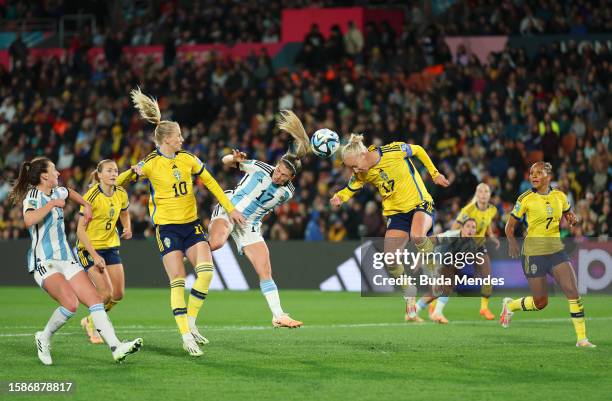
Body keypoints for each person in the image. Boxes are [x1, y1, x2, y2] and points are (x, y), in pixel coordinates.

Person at [118, 88, 245, 357]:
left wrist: (231, 209)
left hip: (192, 225)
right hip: (167, 230)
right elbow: (117, 183)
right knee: (177, 281)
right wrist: (132, 173)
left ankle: (192, 323)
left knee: (206, 272)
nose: (182, 139)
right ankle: (185, 336)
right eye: (178, 136)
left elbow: (210, 182)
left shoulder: (188, 159)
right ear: (166, 139)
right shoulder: (150, 163)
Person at [8, 157, 143, 365]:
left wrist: (86, 204)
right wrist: (52, 204)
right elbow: (28, 220)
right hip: (44, 261)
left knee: (96, 300)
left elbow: (69, 192)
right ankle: (44, 337)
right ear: (44, 175)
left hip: (66, 259)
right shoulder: (33, 196)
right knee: (70, 304)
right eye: (54, 170)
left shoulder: (58, 191)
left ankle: (116, 347)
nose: (58, 173)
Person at [330, 135, 449, 321]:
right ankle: (408, 289)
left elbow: (417, 149)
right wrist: (339, 197)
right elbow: (350, 188)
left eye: (354, 165)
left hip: (420, 203)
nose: (354, 170)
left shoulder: (392, 151)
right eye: (350, 168)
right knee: (390, 258)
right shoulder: (362, 172)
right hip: (396, 214)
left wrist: (434, 173)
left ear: (363, 153)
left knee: (417, 236)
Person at [208, 110, 308, 328]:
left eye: (284, 175)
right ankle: (189, 247)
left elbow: (266, 207)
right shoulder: (260, 167)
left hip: (250, 224)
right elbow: (225, 162)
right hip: (229, 208)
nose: (278, 175)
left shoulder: (287, 193)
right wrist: (233, 158)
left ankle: (278, 315)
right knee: (215, 243)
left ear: (291, 178)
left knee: (265, 269)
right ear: (277, 164)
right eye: (279, 170)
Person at [501, 162, 595, 348]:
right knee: (540, 302)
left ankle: (582, 339)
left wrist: (572, 218)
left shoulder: (560, 196)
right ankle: (510, 306)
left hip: (555, 251)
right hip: (533, 253)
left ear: (548, 176)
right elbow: (509, 227)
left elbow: (568, 212)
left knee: (572, 292)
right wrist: (511, 243)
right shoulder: (525, 198)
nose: (533, 176)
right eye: (531, 173)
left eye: (538, 173)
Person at [76, 160, 132, 344]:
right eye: (109, 171)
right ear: (99, 175)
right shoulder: (91, 197)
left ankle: (89, 321)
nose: (114, 173)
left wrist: (127, 227)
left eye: (116, 170)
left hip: (110, 246)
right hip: (89, 248)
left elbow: (124, 211)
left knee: (118, 294)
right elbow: (80, 231)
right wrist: (94, 255)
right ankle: (94, 326)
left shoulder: (121, 193)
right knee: (105, 294)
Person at [415, 218, 479, 324]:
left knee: (436, 292)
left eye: (473, 227)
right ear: (462, 228)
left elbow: (459, 263)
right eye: (467, 226)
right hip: (434, 261)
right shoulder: (452, 235)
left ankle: (413, 312)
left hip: (444, 264)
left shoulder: (471, 245)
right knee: (446, 286)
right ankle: (437, 313)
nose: (470, 229)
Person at [450, 183, 500, 320]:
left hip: (478, 246)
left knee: (487, 276)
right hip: (463, 246)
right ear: (477, 195)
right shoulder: (468, 210)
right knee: (449, 278)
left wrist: (492, 236)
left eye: (486, 191)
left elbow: (487, 222)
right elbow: (455, 227)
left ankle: (484, 308)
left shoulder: (492, 209)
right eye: (481, 192)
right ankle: (434, 303)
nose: (484, 194)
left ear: (490, 195)